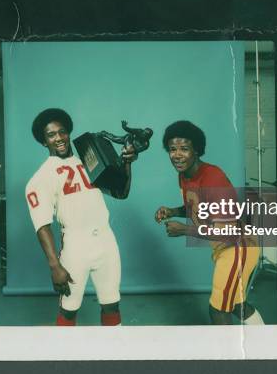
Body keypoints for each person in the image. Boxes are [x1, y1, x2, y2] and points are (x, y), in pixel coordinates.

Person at [25, 108, 136, 326]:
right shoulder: (40, 178)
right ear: (43, 141)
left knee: (111, 303)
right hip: (76, 244)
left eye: (62, 132)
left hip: (105, 239)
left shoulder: (89, 159)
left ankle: (116, 356)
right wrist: (55, 266)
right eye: (51, 135)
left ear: (68, 133)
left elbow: (121, 192)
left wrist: (127, 163)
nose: (58, 138)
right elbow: (42, 225)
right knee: (69, 309)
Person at [155, 120, 264, 325]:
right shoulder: (184, 174)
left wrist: (185, 230)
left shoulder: (213, 178)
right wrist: (173, 211)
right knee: (237, 305)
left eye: (184, 149)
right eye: (172, 149)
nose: (177, 155)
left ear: (197, 151)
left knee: (218, 309)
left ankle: (227, 357)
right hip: (224, 248)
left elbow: (227, 231)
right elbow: (197, 207)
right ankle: (266, 344)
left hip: (238, 247)